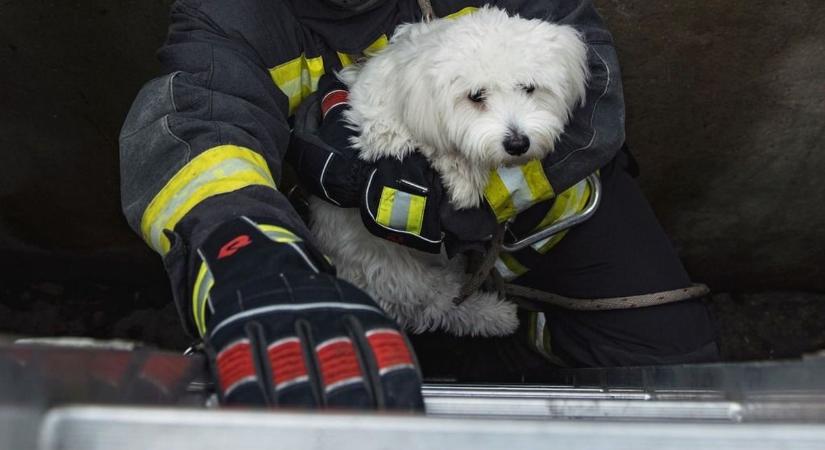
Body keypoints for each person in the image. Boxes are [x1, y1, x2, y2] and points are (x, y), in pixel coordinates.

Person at [119, 0, 720, 408]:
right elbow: (196, 126)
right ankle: (437, 349)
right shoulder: (234, 18)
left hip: (548, 221)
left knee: (673, 366)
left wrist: (452, 203)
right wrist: (247, 257)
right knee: (330, 387)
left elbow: (591, 93)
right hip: (367, 254)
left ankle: (505, 355)